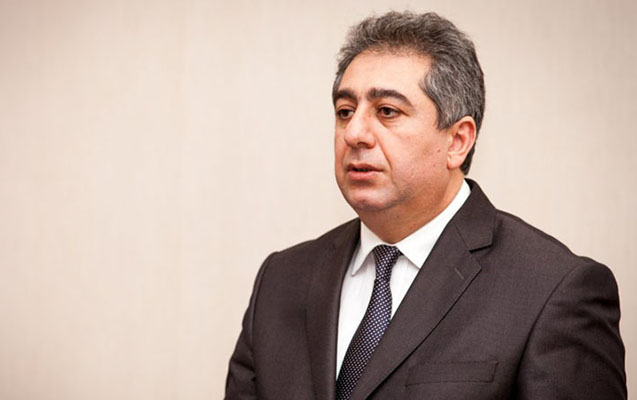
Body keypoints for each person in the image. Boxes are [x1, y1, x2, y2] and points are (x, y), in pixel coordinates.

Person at [225, 11, 626, 400]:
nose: (355, 133)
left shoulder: (553, 290)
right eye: (345, 112)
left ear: (457, 141)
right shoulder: (281, 280)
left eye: (387, 112)